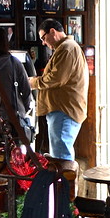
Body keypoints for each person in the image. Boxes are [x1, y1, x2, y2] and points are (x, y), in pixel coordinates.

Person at [29, 19, 89, 161]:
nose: (43, 42)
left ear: (52, 32)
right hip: (63, 110)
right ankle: (63, 183)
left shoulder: (67, 48)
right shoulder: (66, 47)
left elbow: (56, 78)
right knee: (59, 157)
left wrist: (33, 82)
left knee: (61, 160)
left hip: (63, 111)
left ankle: (64, 184)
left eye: (43, 38)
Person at [0, 27, 32, 135]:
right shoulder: (15, 63)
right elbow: (26, 90)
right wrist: (24, 110)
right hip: (13, 118)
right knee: (15, 150)